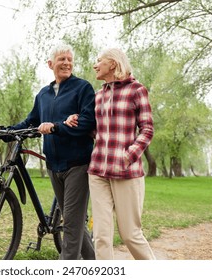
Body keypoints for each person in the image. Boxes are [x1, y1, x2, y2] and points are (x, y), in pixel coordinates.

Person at [0, 44, 96, 260]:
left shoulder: (83, 88)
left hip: (78, 164)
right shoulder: (43, 94)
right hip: (54, 164)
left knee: (71, 225)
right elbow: (30, 122)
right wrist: (3, 130)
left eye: (69, 59)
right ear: (50, 64)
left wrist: (55, 127)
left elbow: (87, 122)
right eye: (61, 59)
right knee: (74, 221)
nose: (66, 63)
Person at [66, 48, 155, 260]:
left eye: (99, 61)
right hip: (98, 171)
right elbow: (96, 129)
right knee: (101, 236)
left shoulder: (136, 90)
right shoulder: (99, 95)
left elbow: (147, 129)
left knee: (130, 234)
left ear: (113, 64)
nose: (95, 65)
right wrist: (75, 119)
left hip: (126, 172)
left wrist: (128, 155)